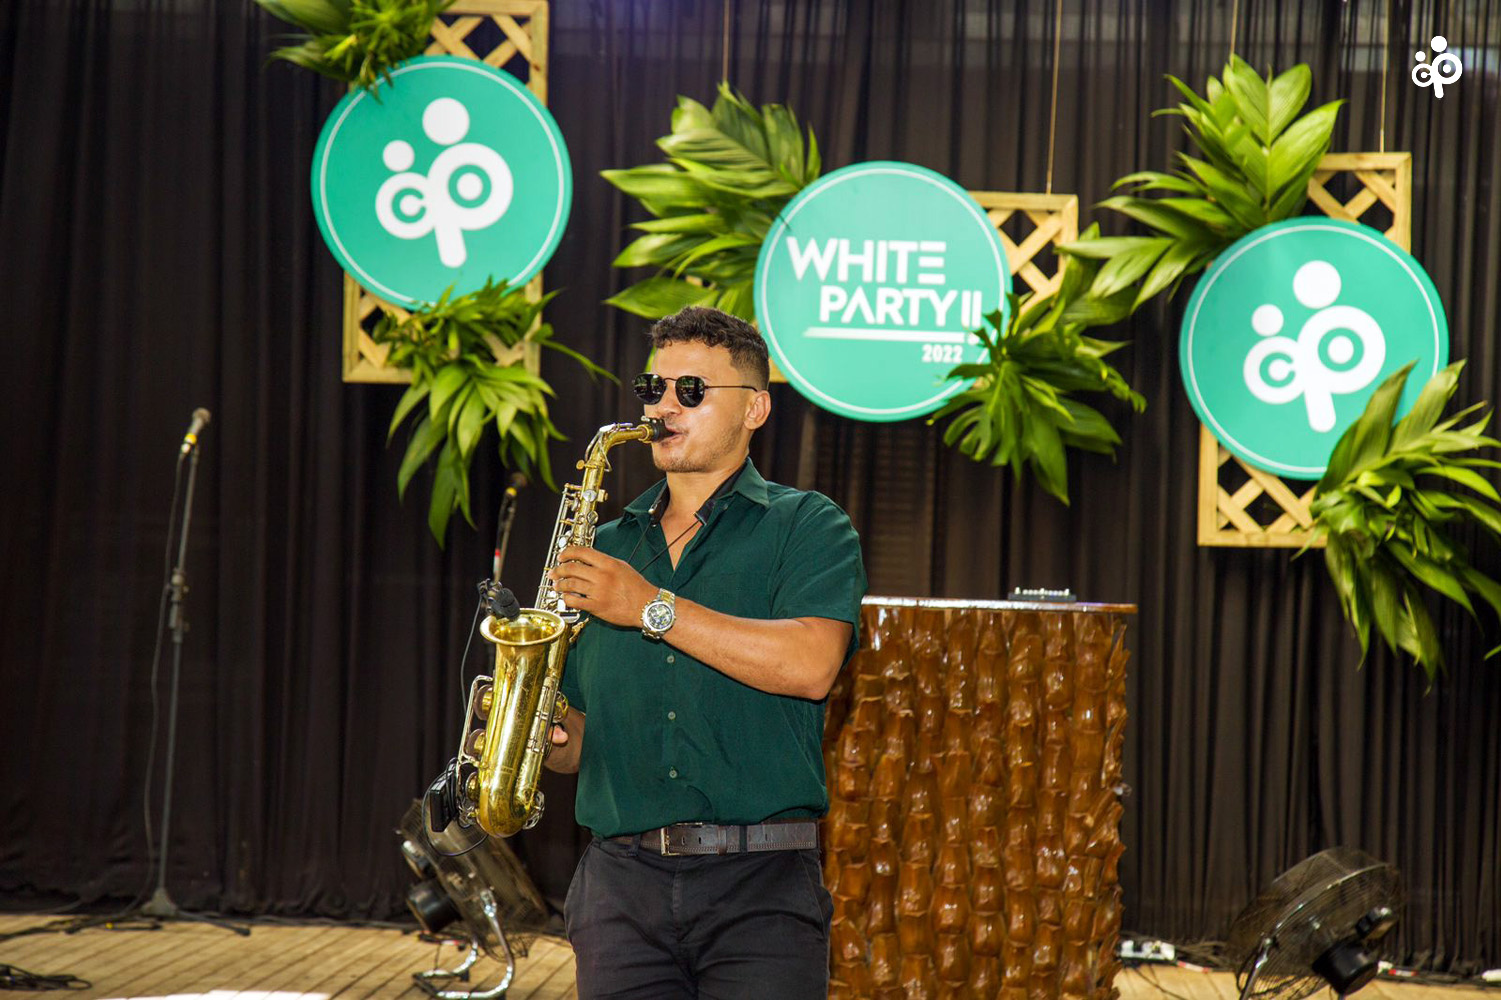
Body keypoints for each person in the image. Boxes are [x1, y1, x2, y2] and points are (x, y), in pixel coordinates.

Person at [542, 306, 867, 999]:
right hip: (617, 891)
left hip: (761, 889)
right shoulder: (602, 548)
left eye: (690, 390)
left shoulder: (808, 525)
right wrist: (541, 731)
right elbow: (579, 746)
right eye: (652, 388)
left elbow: (811, 667)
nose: (662, 406)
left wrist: (649, 607)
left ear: (754, 408)